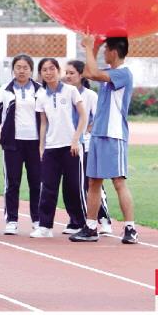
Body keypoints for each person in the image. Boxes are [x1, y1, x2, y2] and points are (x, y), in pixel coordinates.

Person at [70, 36, 138, 244]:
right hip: (98, 134)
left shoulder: (123, 74)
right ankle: (91, 227)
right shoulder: (109, 73)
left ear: (114, 52)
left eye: (106, 50)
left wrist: (91, 47)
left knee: (118, 181)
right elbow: (89, 73)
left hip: (114, 134)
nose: (104, 54)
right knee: (94, 182)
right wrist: (94, 46)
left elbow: (94, 73)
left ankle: (130, 229)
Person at [30, 58, 87, 238]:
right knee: (48, 187)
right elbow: (43, 124)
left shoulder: (70, 91)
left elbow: (83, 116)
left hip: (71, 147)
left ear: (58, 70)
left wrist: (76, 140)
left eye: (52, 68)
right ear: (41, 74)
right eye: (44, 70)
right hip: (51, 147)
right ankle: (45, 226)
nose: (48, 72)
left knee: (73, 187)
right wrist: (41, 147)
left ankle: (78, 222)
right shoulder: (40, 95)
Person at [0, 54, 42, 235]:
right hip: (12, 144)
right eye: (18, 67)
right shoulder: (5, 91)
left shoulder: (40, 91)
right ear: (13, 70)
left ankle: (38, 219)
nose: (22, 70)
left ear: (31, 70)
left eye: (25, 67)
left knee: (36, 183)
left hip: (36, 144)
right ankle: (11, 220)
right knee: (12, 183)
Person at [64, 59, 112, 233]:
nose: (67, 76)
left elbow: (97, 117)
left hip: (87, 145)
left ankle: (104, 219)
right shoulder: (63, 93)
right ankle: (75, 220)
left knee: (92, 183)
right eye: (66, 73)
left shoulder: (90, 96)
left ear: (81, 75)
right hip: (68, 145)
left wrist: (86, 133)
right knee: (71, 183)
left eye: (71, 73)